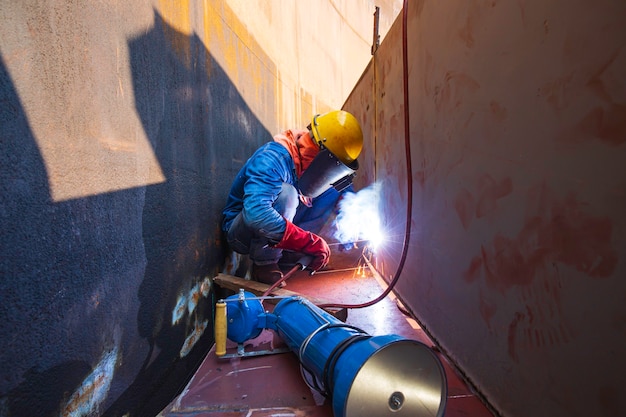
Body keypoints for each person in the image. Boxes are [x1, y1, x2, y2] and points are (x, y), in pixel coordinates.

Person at [222, 110, 363, 285]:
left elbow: (342, 187)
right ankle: (265, 263)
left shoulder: (308, 161)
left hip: (272, 227)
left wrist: (349, 213)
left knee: (333, 190)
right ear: (322, 154)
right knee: (287, 195)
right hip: (241, 233)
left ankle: (288, 252)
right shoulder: (272, 159)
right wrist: (307, 242)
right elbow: (256, 213)